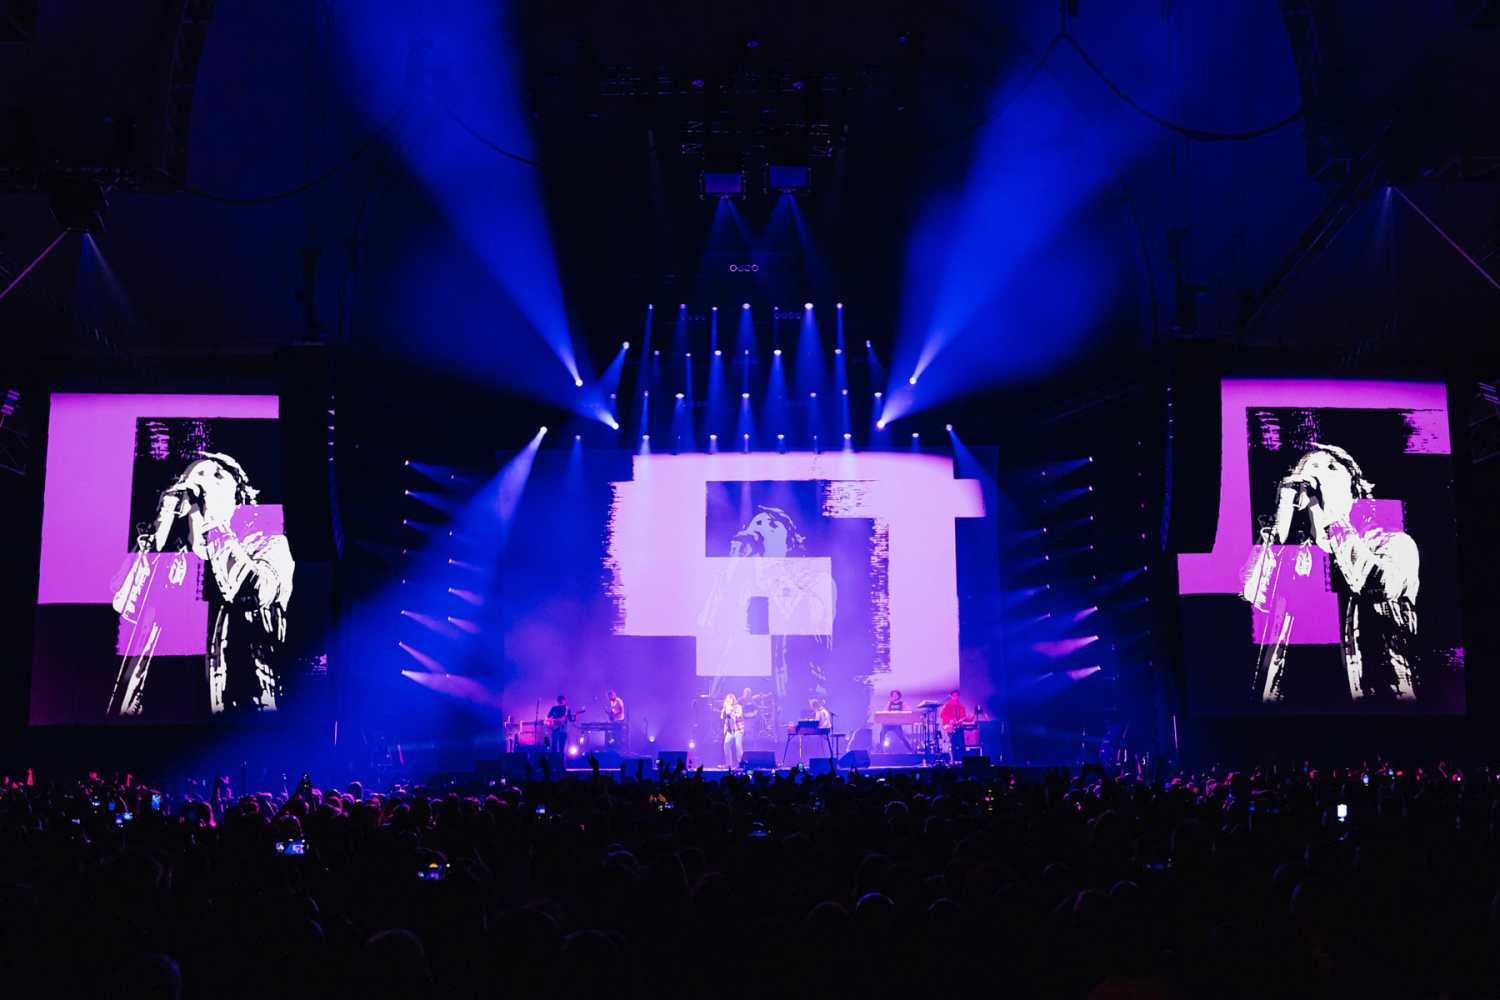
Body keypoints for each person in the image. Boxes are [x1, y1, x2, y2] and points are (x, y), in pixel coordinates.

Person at [109, 452, 294, 717]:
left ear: (239, 495)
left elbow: (250, 591)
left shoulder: (269, 545)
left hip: (235, 717)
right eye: (194, 477)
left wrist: (215, 525)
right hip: (153, 715)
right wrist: (158, 532)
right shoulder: (171, 555)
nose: (202, 484)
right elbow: (125, 605)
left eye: (217, 476)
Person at [1241, 443, 1420, 703]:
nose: (1318, 474)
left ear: (1355, 489)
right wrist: (1280, 525)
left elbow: (1376, 584)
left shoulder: (1394, 543)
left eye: (1331, 468)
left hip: (1375, 705)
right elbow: (1256, 596)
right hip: (1291, 708)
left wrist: (1333, 520)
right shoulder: (1290, 554)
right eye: (1310, 468)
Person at [721, 692, 745, 769]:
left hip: (738, 729)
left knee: (738, 746)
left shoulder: (738, 707)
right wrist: (725, 709)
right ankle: (728, 764)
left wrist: (730, 711)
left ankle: (740, 764)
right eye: (727, 699)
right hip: (730, 731)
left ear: (732, 699)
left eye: (729, 698)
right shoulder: (726, 708)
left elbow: (738, 715)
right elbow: (722, 717)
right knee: (726, 745)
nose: (728, 700)